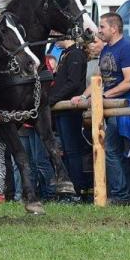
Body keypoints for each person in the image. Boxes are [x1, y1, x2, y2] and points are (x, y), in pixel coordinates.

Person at [71, 13, 130, 204]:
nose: (99, 30)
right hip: (108, 106)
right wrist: (84, 96)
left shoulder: (126, 49)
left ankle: (121, 195)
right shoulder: (106, 49)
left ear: (114, 28)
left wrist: (104, 96)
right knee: (119, 152)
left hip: (123, 107)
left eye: (102, 27)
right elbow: (99, 79)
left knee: (113, 150)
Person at [50, 38, 90, 198]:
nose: (53, 37)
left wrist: (53, 99)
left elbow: (73, 83)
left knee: (73, 151)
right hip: (61, 108)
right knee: (66, 151)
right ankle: (69, 189)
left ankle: (77, 190)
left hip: (70, 109)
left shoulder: (76, 54)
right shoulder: (65, 54)